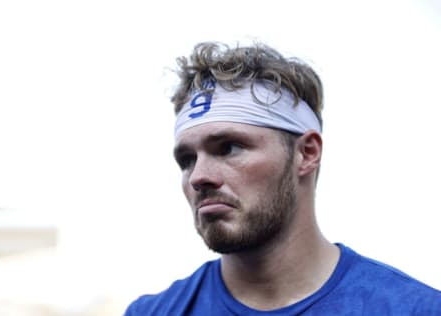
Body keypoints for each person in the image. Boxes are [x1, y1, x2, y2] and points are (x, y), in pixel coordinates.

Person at [125, 42, 441, 315]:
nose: (199, 177)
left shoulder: (414, 309)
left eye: (229, 148)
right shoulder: (153, 312)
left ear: (307, 153)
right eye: (187, 160)